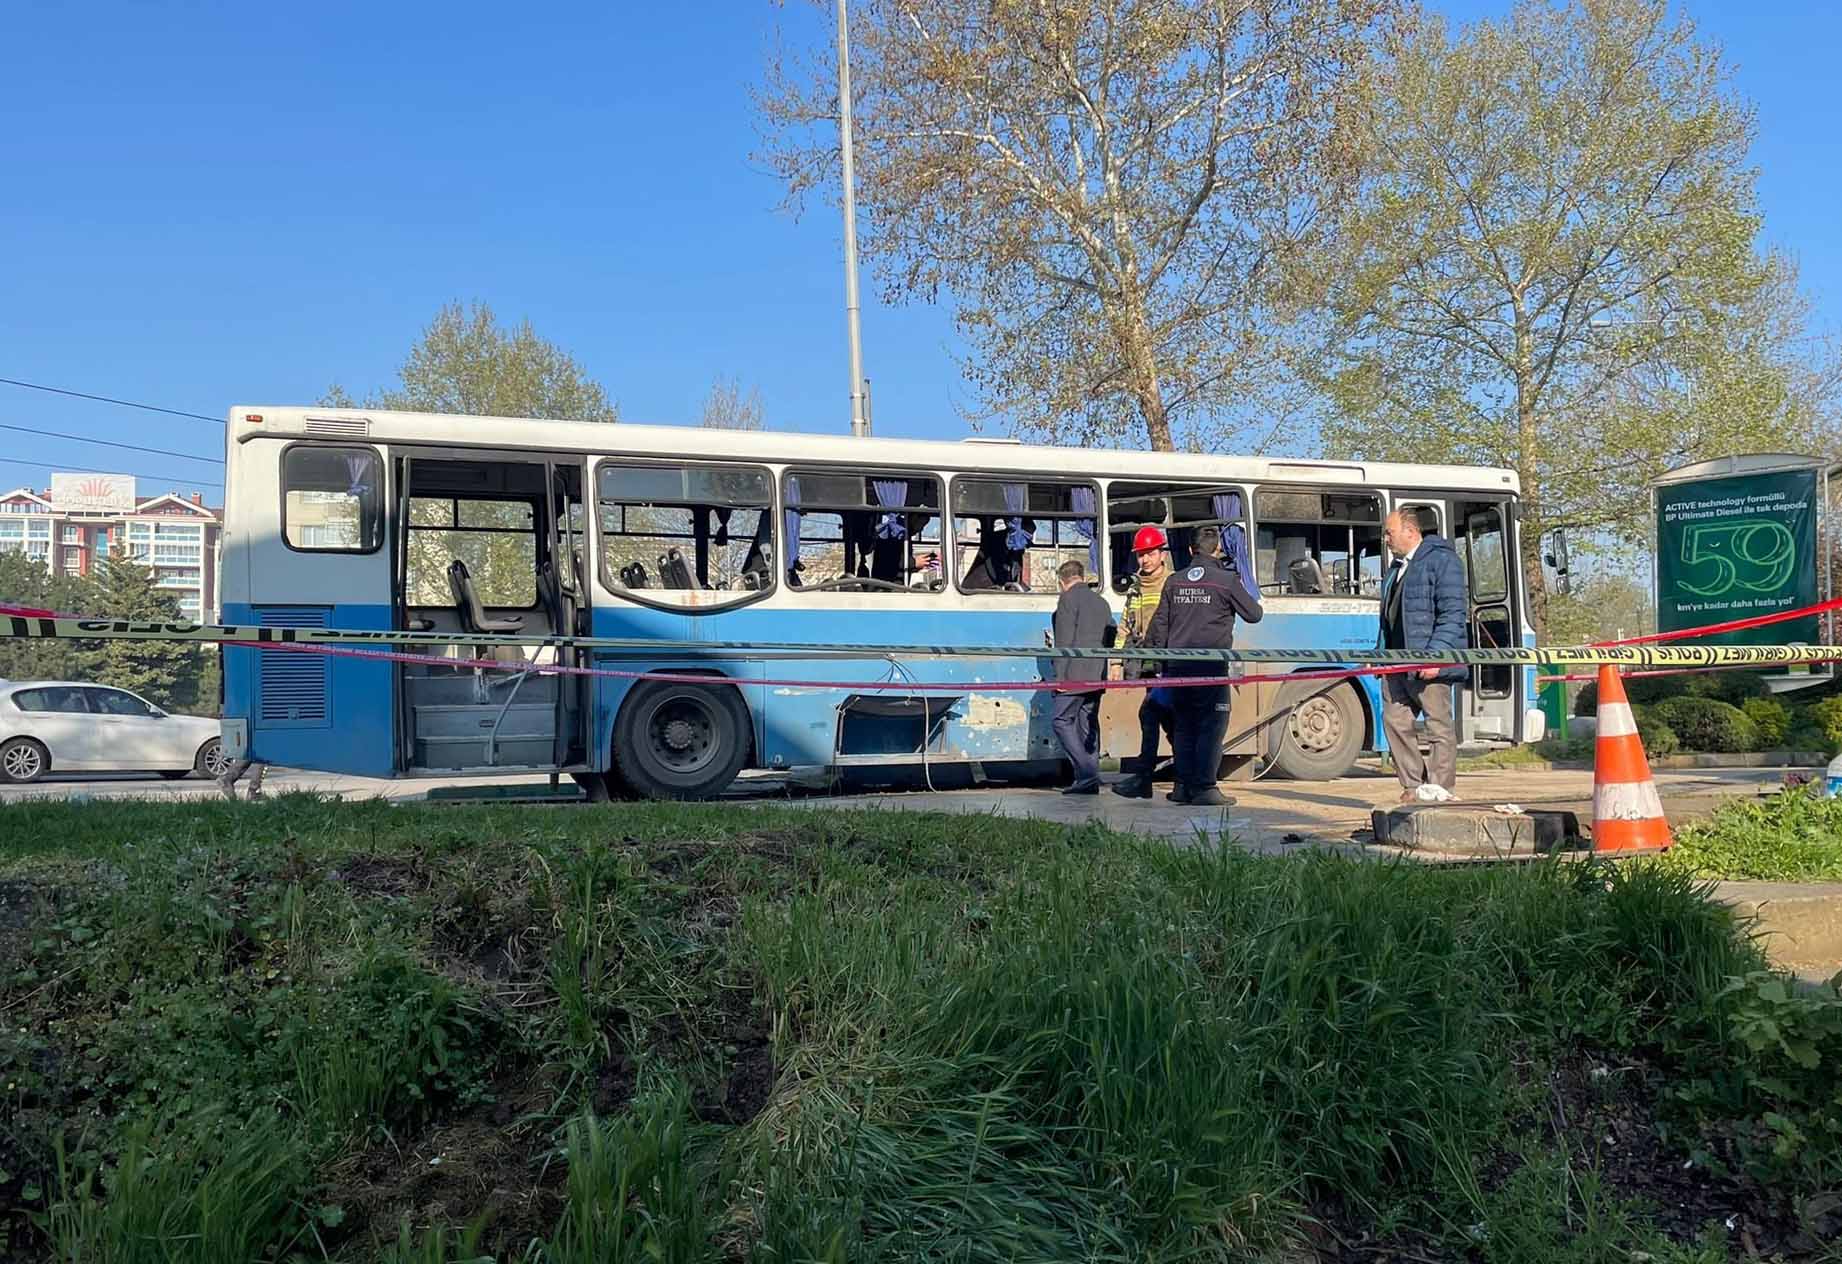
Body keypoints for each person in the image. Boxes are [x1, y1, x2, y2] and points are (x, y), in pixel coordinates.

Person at [1143, 525, 1263, 806]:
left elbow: (1159, 627)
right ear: (1218, 550)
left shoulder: (1174, 581)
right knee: (1212, 725)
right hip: (1210, 668)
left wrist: (1163, 665)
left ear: (1189, 550)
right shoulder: (1226, 580)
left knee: (1184, 726)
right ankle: (1206, 787)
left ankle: (1183, 787)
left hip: (1178, 668)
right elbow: (1254, 614)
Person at [1377, 507, 1468, 802]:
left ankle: (1440, 789)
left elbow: (1452, 614)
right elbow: (1389, 619)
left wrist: (1435, 657)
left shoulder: (1442, 561)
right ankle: (1414, 785)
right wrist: (1380, 656)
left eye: (1389, 532)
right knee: (1394, 719)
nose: (1385, 539)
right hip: (1397, 664)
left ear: (1410, 532)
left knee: (1437, 725)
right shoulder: (1396, 568)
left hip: (1428, 661)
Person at [1112, 525, 1177, 799]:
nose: (1145, 560)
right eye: (1140, 555)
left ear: (1162, 553)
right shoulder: (1136, 587)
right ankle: (1176, 778)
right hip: (1149, 666)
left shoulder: (1174, 583)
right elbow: (1125, 627)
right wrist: (1115, 662)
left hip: (1170, 665)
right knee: (1158, 719)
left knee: (1158, 717)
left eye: (1149, 553)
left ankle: (1151, 780)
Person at [1049, 559, 1115, 795]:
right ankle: (1088, 779)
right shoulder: (1101, 601)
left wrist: (1059, 679)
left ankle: (1088, 774)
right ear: (1082, 577)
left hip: (1073, 675)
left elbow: (1064, 641)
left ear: (1061, 582)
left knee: (1061, 720)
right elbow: (1111, 632)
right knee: (1088, 723)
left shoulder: (1067, 600)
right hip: (1097, 674)